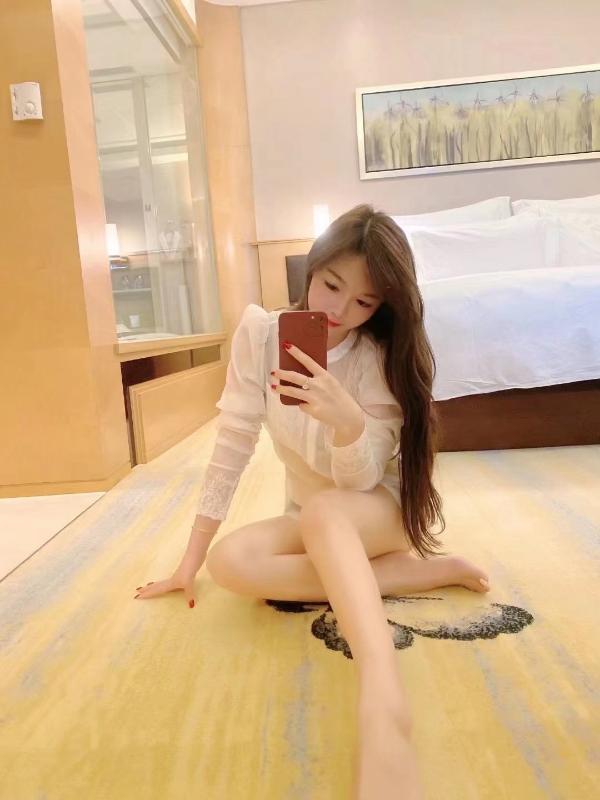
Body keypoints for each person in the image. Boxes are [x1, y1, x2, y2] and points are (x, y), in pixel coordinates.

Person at [134, 204, 490, 799]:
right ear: (312, 267)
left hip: (375, 507)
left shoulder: (374, 359)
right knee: (232, 563)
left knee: (328, 511)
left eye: (364, 302)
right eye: (330, 285)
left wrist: (347, 423)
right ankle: (411, 574)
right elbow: (233, 443)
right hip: (312, 515)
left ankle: (384, 701)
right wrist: (187, 563)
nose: (339, 311)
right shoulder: (259, 335)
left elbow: (359, 482)